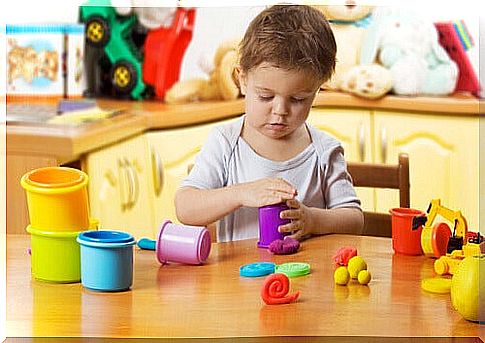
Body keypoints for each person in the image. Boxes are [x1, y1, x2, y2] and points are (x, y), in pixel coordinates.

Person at [175, 5, 364, 242]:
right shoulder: (226, 142)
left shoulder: (324, 151)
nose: (280, 111)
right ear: (242, 80)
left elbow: (354, 219)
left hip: (310, 276)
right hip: (240, 278)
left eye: (298, 99)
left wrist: (314, 220)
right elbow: (185, 207)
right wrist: (241, 193)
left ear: (319, 89)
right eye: (265, 96)